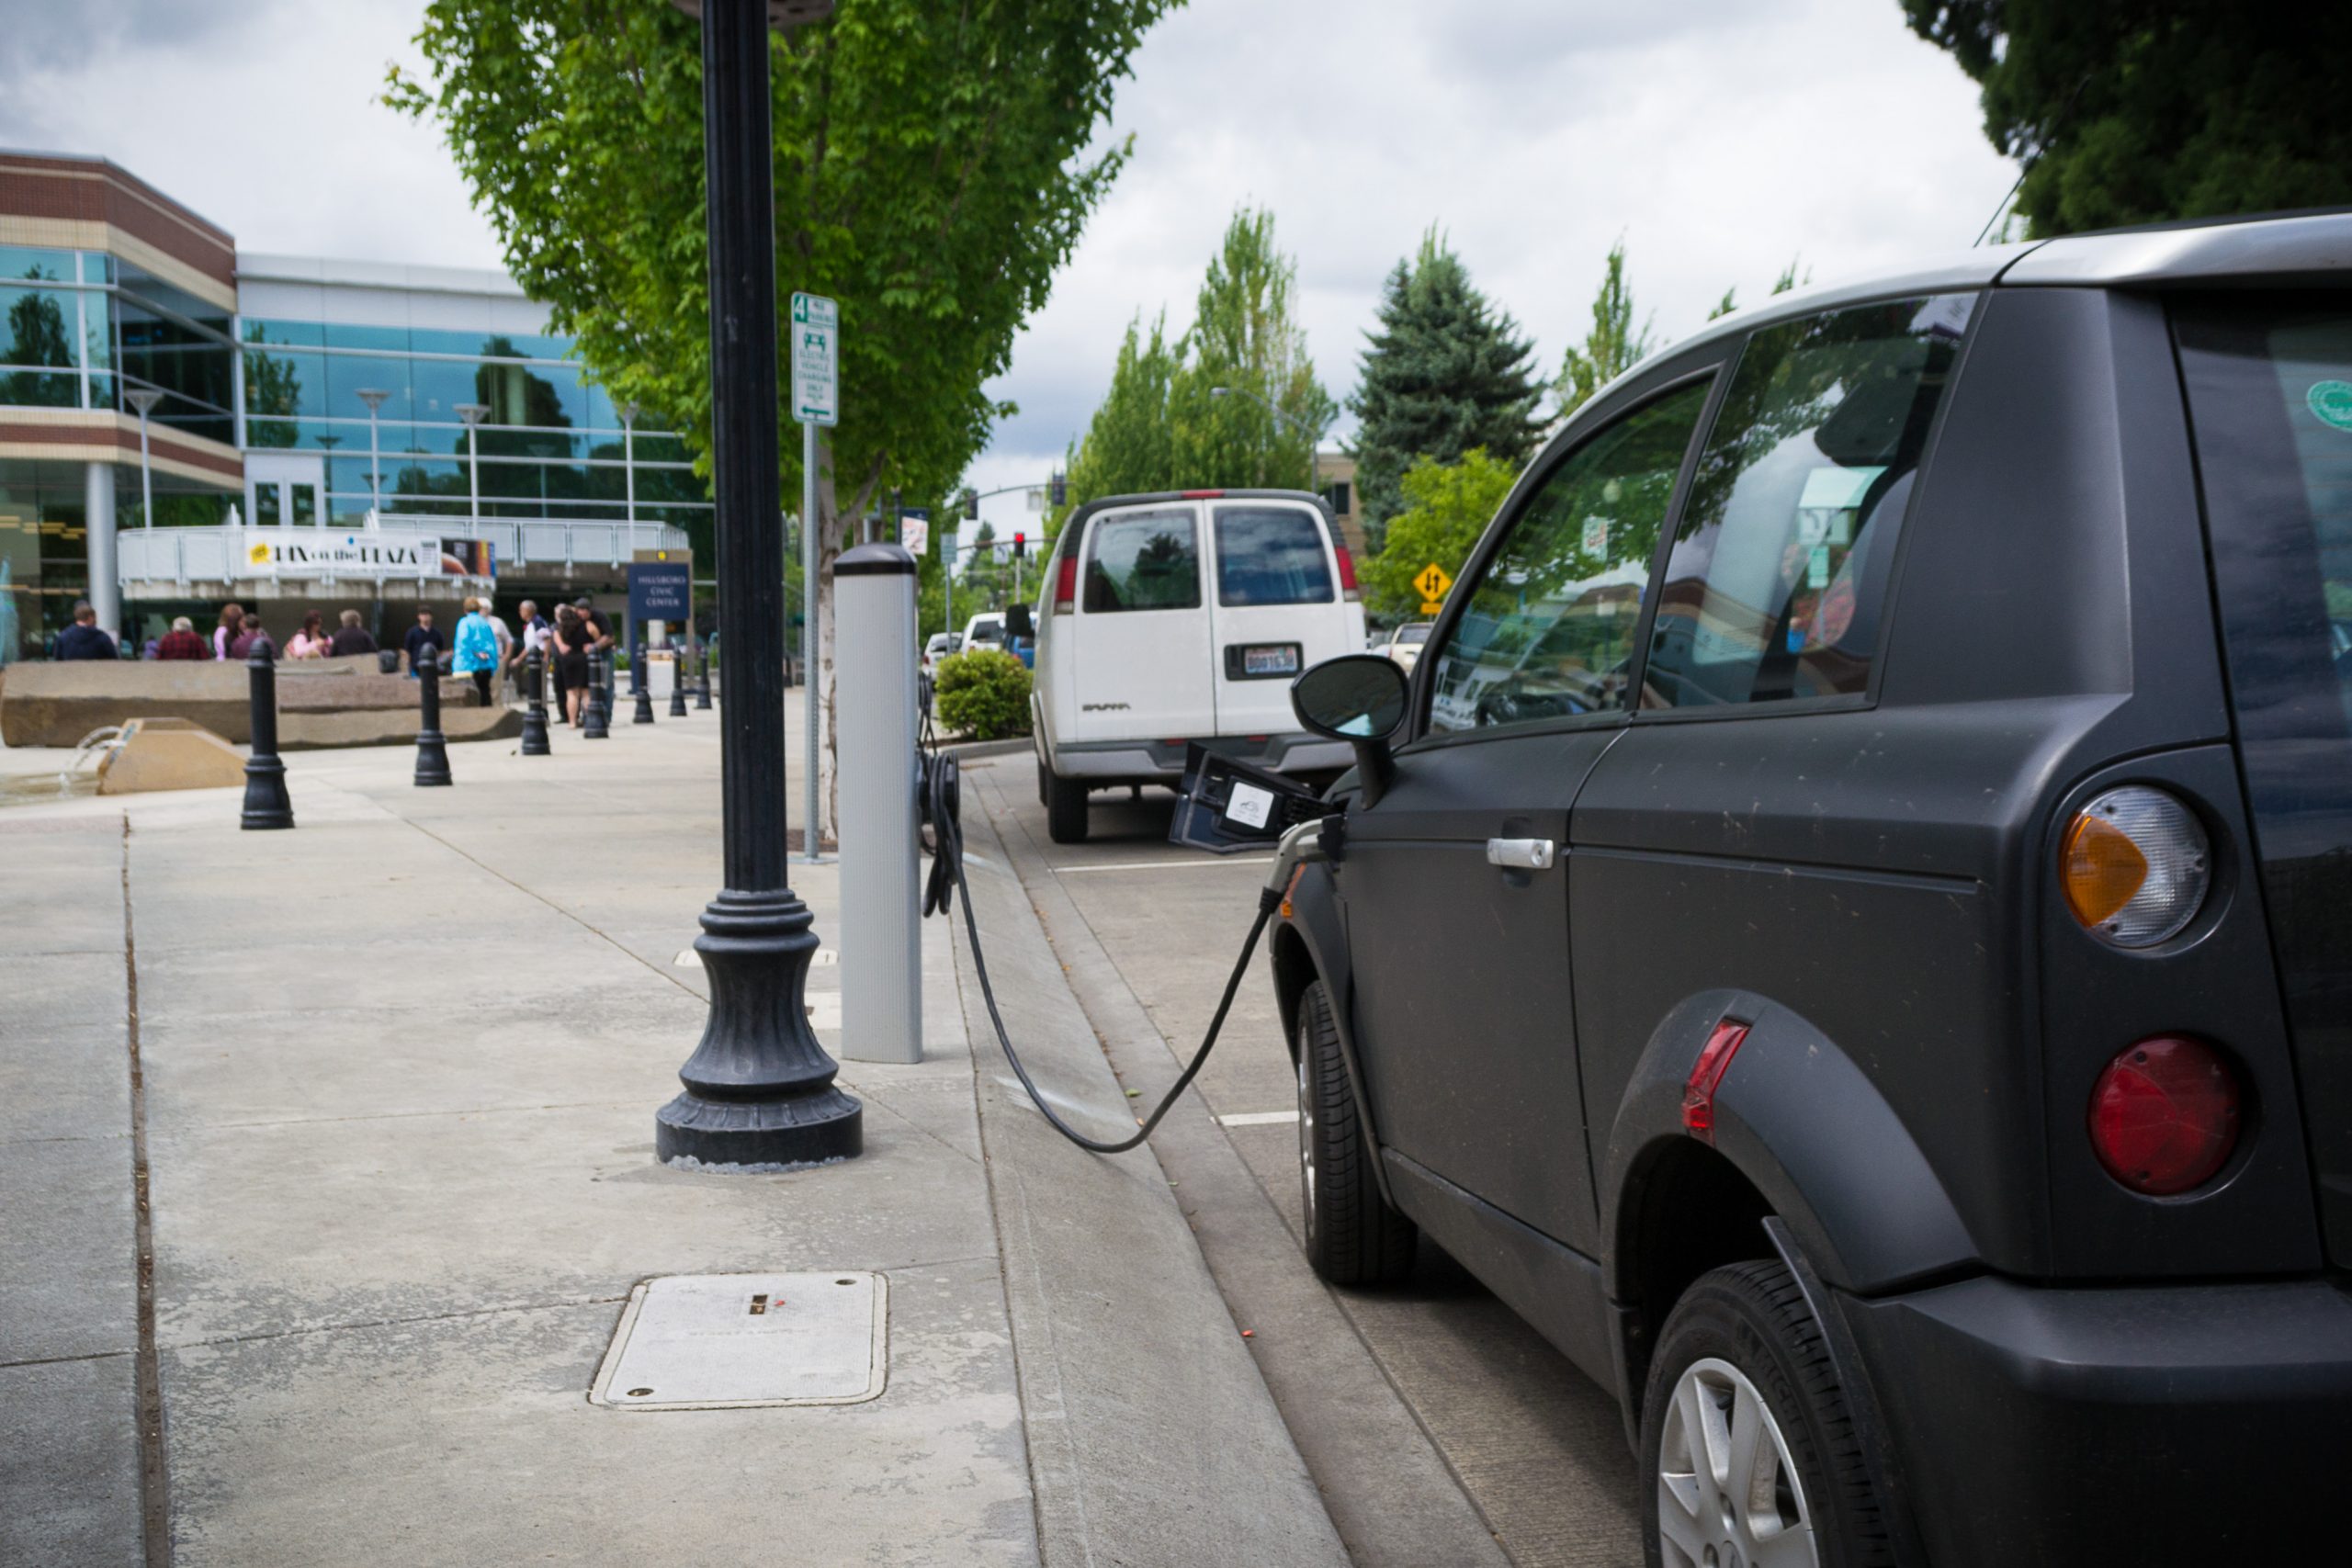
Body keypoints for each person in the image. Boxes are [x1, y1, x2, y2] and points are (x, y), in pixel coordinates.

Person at [451, 596, 500, 706]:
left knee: (472, 698)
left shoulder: (464, 622)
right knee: (485, 695)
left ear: (465, 609)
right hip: (486, 665)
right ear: (479, 609)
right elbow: (492, 644)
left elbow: (462, 643)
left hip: (469, 666)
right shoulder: (485, 623)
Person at [553, 604, 592, 727]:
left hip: (568, 660)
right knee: (586, 693)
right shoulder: (585, 625)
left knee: (571, 693)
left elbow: (560, 647)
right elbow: (594, 638)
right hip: (582, 658)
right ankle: (590, 720)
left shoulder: (559, 629)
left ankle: (572, 722)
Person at [53, 601, 117, 660]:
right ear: (90, 618)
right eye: (95, 618)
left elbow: (57, 661)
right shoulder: (103, 638)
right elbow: (114, 661)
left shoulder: (63, 637)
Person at [403, 608, 444, 677]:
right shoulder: (412, 632)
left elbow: (440, 650)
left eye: (427, 614)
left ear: (431, 617)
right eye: (422, 614)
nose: (425, 616)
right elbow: (407, 649)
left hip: (432, 668)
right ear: (418, 616)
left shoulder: (437, 633)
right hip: (415, 668)